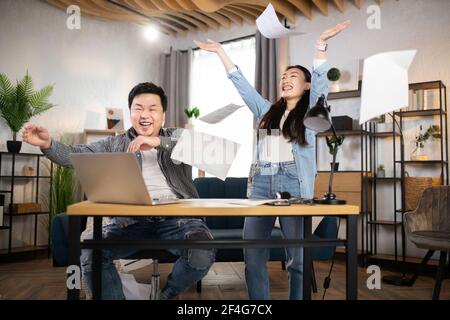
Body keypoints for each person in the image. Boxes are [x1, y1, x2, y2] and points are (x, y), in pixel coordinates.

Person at [194, 20, 350, 300]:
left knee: (298, 259)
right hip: (261, 184)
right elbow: (243, 87)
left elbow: (321, 83)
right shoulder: (267, 111)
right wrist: (220, 52)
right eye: (283, 77)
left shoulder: (311, 113)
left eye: (292, 76)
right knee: (253, 257)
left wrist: (321, 45)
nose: (285, 79)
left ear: (306, 86)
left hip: (294, 184)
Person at [22, 82, 215, 300]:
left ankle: (164, 297)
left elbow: (206, 148)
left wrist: (156, 141)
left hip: (179, 220)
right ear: (130, 111)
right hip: (130, 221)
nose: (145, 114)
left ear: (163, 114)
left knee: (203, 249)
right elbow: (74, 155)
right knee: (91, 252)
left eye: (152, 109)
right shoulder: (115, 144)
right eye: (138, 108)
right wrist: (48, 144)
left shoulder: (178, 137)